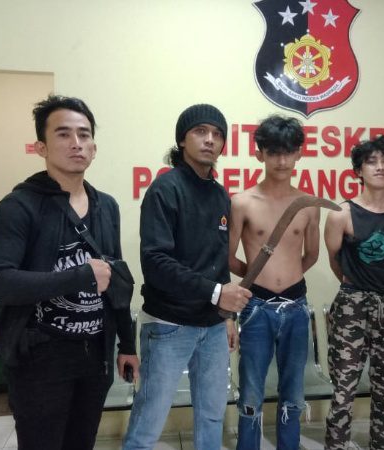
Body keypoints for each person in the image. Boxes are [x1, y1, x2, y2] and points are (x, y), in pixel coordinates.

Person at [0, 95, 139, 450]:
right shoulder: (18, 206)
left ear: (94, 148)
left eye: (84, 135)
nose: (76, 143)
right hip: (39, 357)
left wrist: (127, 344)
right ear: (42, 147)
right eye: (63, 134)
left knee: (81, 442)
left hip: (95, 355)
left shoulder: (106, 206)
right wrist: (79, 276)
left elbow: (116, 280)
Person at [122, 104, 251, 450]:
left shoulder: (220, 195)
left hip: (213, 327)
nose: (210, 140)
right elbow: (155, 262)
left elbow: (217, 261)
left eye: (218, 134)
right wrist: (217, 293)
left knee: (211, 416)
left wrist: (226, 316)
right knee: (149, 419)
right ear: (182, 139)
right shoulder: (165, 190)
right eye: (200, 131)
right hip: (169, 325)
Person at [229, 114, 321, 450]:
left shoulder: (309, 204)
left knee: (294, 391)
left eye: (288, 152)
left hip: (296, 306)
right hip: (256, 306)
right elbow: (227, 257)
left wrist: (288, 277)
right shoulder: (241, 202)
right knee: (251, 390)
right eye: (273, 152)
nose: (281, 161)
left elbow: (312, 254)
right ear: (260, 154)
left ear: (299, 154)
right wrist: (258, 277)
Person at [323, 136, 384, 450]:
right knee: (343, 389)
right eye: (372, 161)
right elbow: (335, 259)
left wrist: (379, 290)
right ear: (358, 170)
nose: (380, 167)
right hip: (351, 305)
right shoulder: (341, 213)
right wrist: (356, 286)